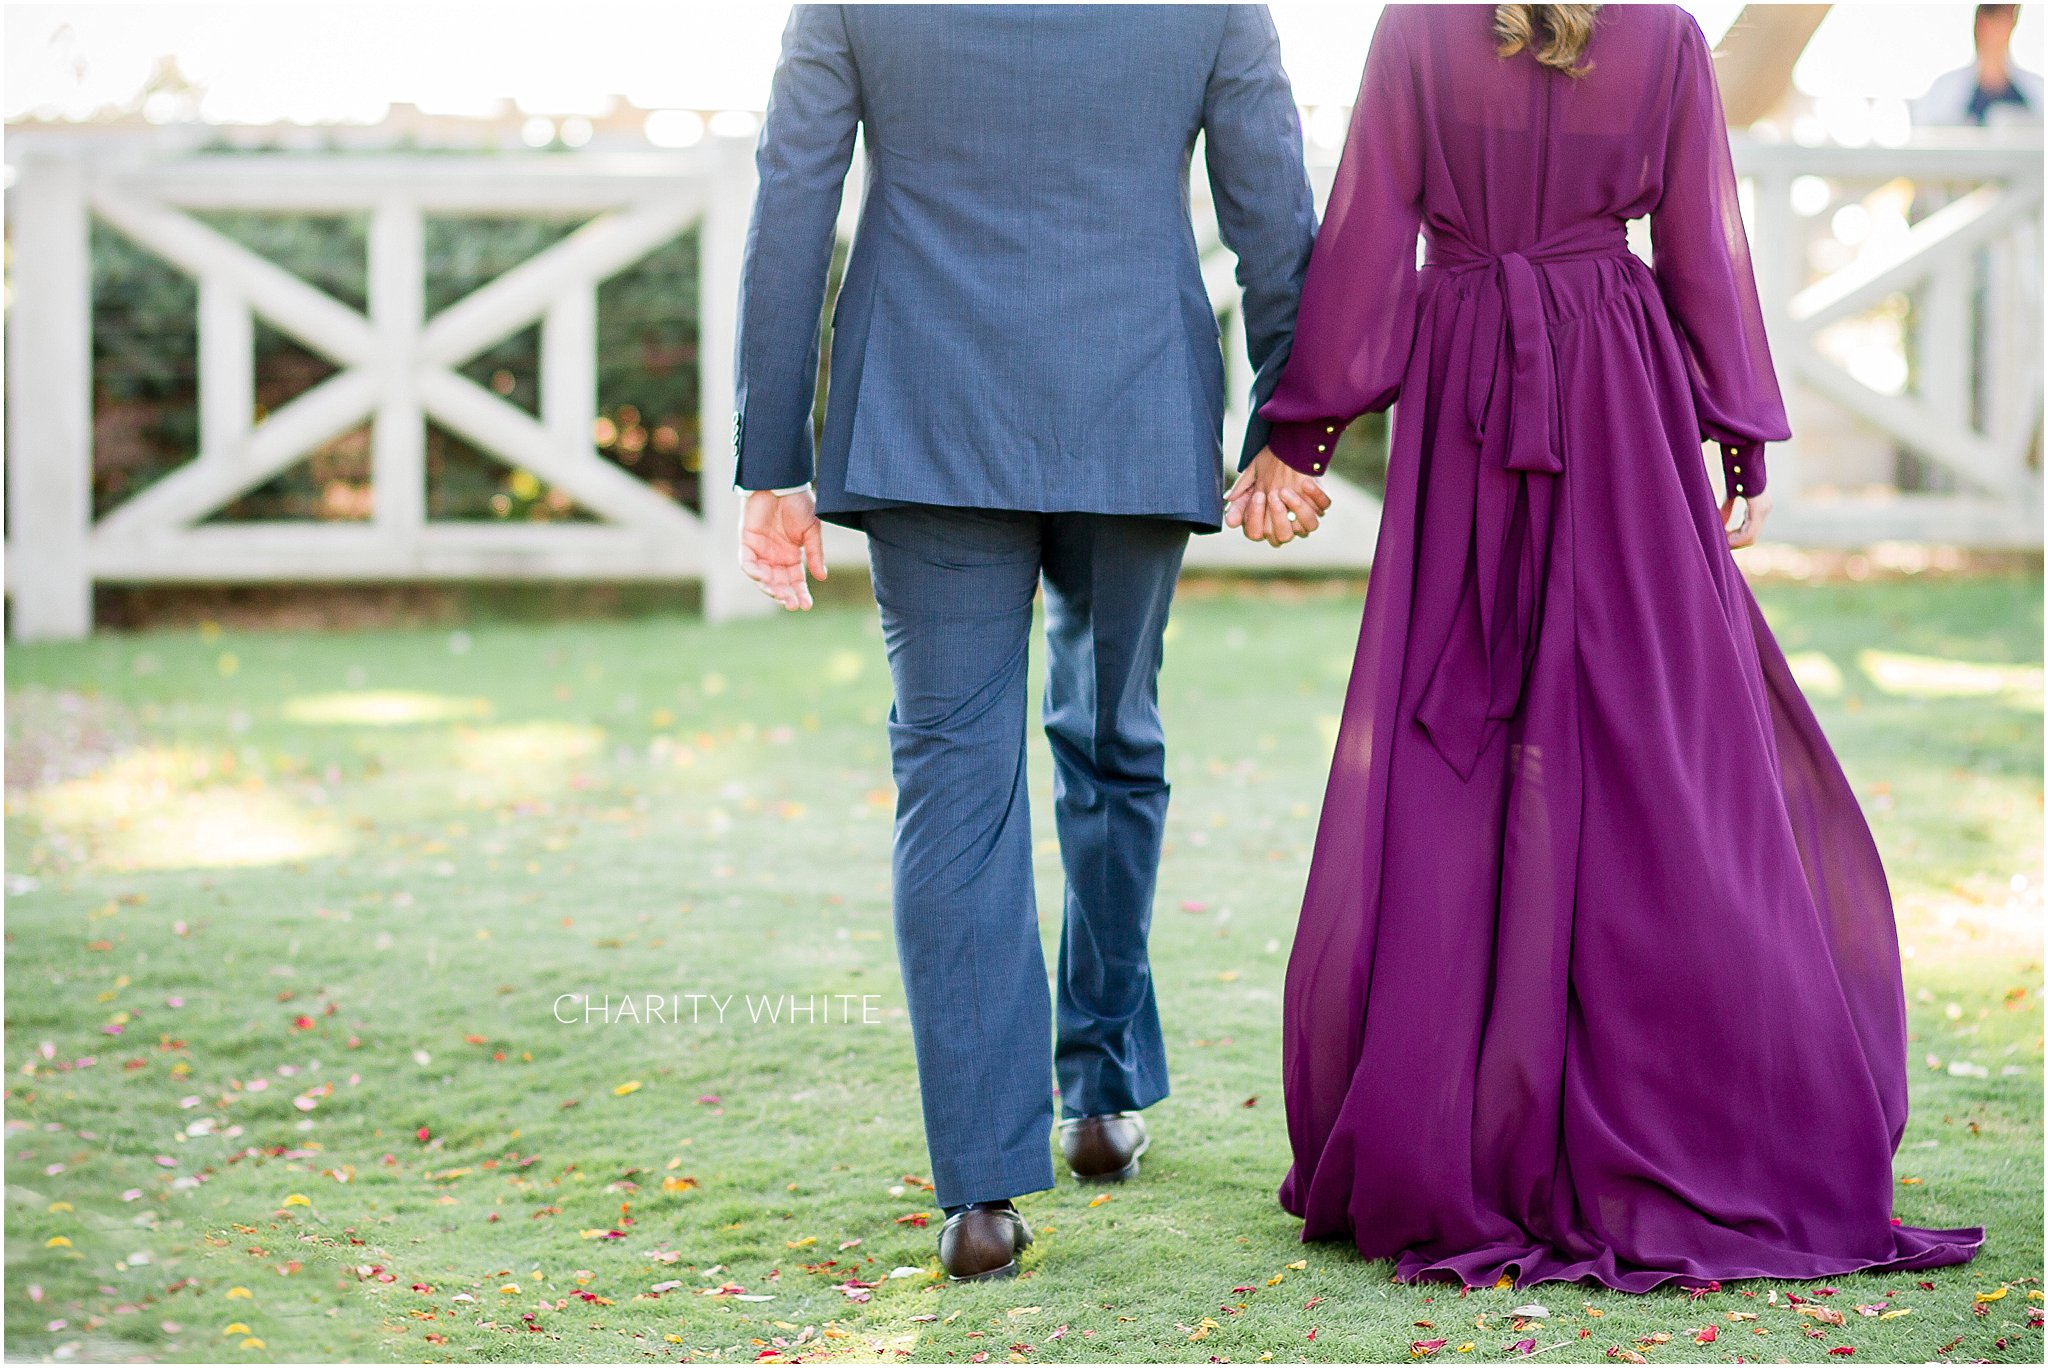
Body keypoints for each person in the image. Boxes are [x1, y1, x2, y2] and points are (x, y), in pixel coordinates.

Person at [1234, 3, 1986, 1290]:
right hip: (1619, 389)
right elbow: (1700, 242)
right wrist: (1738, 431)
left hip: (1469, 378)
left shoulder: (1418, 28)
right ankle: (1674, 1105)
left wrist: (1299, 433)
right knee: (1644, 736)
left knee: (1460, 737)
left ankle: (1462, 1123)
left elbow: (1367, 228)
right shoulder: (1663, 34)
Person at [732, 5, 1321, 1281]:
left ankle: (980, 1191)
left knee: (952, 778)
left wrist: (770, 454)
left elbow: (792, 199)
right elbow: (1272, 207)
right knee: (1110, 739)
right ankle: (1100, 1089)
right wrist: (1289, 415)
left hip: (920, 410)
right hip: (1130, 400)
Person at [1915, 4, 2042, 130]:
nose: (1995, 29)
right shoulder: (1944, 90)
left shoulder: (2037, 89)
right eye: (1993, 18)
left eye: (2005, 19)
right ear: (1979, 22)